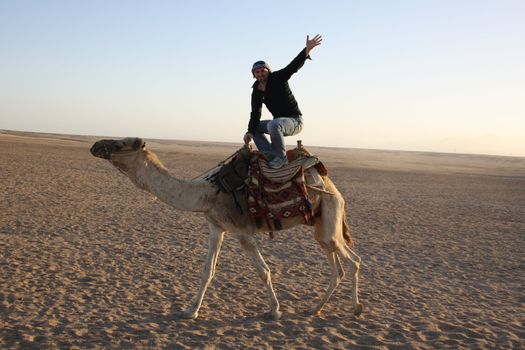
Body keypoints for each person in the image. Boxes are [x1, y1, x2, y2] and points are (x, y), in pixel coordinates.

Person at [243, 34, 322, 168]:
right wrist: (249, 132)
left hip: (294, 121)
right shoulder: (256, 91)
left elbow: (292, 67)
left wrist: (306, 50)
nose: (260, 74)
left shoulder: (277, 78)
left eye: (263, 71)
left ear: (268, 71)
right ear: (254, 75)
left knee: (274, 124)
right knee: (255, 127)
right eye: (257, 72)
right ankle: (270, 155)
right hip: (278, 123)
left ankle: (281, 158)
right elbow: (255, 113)